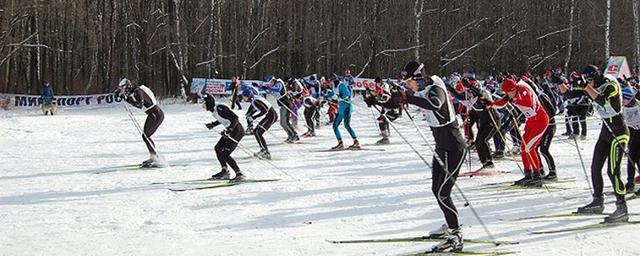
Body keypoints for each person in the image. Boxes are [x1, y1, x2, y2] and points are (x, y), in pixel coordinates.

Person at [402, 61, 467, 253]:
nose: (409, 86)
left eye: (410, 82)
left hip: (454, 148)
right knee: (435, 189)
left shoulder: (436, 87)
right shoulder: (421, 89)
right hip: (441, 147)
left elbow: (435, 104)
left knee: (443, 193)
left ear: (419, 78)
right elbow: (402, 100)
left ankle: (456, 235)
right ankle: (449, 225)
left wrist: (408, 98)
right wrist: (379, 101)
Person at [572, 65, 629, 223]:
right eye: (586, 81)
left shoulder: (610, 84)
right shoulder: (593, 86)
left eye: (589, 80)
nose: (588, 83)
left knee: (613, 171)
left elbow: (603, 101)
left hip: (618, 131)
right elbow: (571, 94)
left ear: (595, 77)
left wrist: (585, 86)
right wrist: (560, 83)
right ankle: (598, 201)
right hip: (606, 131)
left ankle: (622, 207)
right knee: (595, 166)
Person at [489, 78, 548, 187]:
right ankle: (528, 174)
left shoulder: (523, 90)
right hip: (531, 120)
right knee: (523, 148)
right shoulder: (513, 93)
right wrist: (491, 104)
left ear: (513, 89)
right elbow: (501, 103)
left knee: (529, 148)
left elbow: (528, 103)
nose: (507, 94)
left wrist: (513, 100)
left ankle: (537, 175)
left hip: (540, 119)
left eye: (508, 92)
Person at [115, 78, 165, 167]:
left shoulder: (138, 91)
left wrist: (126, 99)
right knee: (146, 136)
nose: (123, 90)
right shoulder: (137, 90)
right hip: (154, 114)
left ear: (127, 86)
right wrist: (123, 96)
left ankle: (155, 157)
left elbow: (139, 105)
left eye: (123, 88)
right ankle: (154, 156)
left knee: (146, 136)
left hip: (155, 115)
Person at [458, 73, 500, 170]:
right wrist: (448, 88)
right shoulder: (472, 98)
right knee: (477, 142)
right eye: (467, 90)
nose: (468, 93)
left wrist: (470, 86)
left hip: (493, 121)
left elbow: (481, 95)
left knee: (482, 140)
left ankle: (489, 162)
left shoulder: (483, 93)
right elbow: (459, 97)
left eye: (469, 90)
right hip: (484, 123)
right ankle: (485, 163)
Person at [204, 94, 245, 181]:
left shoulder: (219, 108)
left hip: (237, 130)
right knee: (218, 148)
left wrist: (229, 130)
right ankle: (224, 170)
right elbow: (222, 119)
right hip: (231, 131)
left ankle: (239, 173)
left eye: (205, 102)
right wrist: (213, 124)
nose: (204, 105)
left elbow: (235, 118)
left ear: (209, 103)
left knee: (226, 154)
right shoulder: (214, 111)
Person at [364, 77, 402, 145]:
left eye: (378, 82)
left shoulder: (385, 87)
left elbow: (385, 98)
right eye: (376, 83)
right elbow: (378, 95)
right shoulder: (379, 87)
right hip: (389, 108)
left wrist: (375, 101)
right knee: (382, 119)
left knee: (383, 120)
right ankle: (385, 134)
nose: (377, 84)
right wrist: (370, 93)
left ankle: (385, 138)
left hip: (394, 110)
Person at [243, 86, 277, 160]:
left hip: (271, 116)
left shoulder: (255, 100)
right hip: (269, 115)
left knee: (258, 132)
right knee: (256, 131)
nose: (243, 99)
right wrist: (251, 115)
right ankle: (263, 150)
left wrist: (254, 117)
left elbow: (264, 110)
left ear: (248, 96)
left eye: (244, 97)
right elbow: (258, 108)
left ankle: (266, 152)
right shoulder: (254, 100)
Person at [327, 74, 359, 150]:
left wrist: (338, 97)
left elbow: (346, 95)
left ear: (334, 80)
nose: (330, 83)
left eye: (330, 81)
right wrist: (327, 97)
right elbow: (332, 94)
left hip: (346, 106)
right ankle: (355, 141)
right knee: (346, 125)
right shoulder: (334, 87)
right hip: (342, 107)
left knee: (336, 126)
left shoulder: (341, 85)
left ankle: (341, 143)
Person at [267, 75, 300, 143]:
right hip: (282, 105)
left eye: (270, 83)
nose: (270, 85)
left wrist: (269, 88)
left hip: (286, 104)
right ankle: (290, 135)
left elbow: (278, 89)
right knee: (282, 123)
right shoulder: (274, 85)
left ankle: (294, 135)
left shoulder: (279, 82)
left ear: (273, 80)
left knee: (285, 122)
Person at [622, 86, 640, 194]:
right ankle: (630, 182)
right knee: (631, 156)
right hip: (635, 132)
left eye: (623, 98)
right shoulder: (625, 107)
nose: (622, 101)